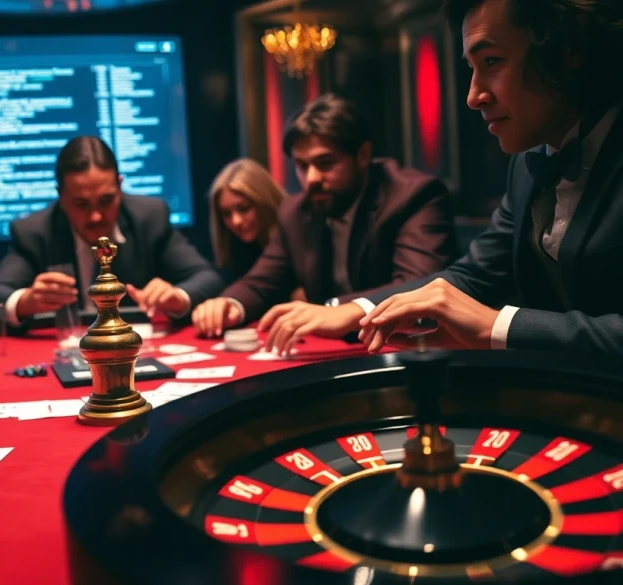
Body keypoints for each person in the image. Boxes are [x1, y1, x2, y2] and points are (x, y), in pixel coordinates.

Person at [263, 0, 623, 359]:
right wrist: (356, 309)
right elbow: (475, 275)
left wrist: (497, 326)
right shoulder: (527, 164)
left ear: (567, 50)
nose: (473, 97)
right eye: (472, 68)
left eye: (492, 62)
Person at [192, 94, 459, 343]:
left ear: (363, 155)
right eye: (302, 165)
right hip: (335, 353)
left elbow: (417, 286)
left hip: (412, 348)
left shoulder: (413, 196)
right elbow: (261, 282)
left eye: (325, 163)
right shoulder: (295, 211)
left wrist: (334, 310)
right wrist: (230, 305)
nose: (311, 179)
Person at [0, 136, 224, 325]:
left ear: (119, 186)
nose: (96, 216)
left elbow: (207, 278)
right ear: (60, 197)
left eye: (106, 200)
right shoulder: (35, 232)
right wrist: (25, 301)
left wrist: (177, 296)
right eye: (81, 204)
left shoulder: (150, 217)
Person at [208, 158, 286, 282]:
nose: (236, 221)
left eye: (244, 209)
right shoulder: (235, 252)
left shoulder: (293, 237)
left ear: (264, 202)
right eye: (227, 214)